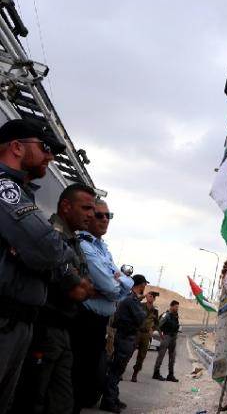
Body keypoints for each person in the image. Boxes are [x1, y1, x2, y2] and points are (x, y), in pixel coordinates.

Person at [0, 118, 77, 413]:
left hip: (17, 323)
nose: (50, 156)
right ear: (17, 147)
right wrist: (47, 251)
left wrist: (39, 251)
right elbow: (48, 249)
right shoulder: (4, 188)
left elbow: (55, 262)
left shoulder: (22, 192)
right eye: (45, 147)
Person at [10, 183, 96, 414]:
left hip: (62, 330)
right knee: (32, 396)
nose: (91, 214)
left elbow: (88, 286)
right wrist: (78, 284)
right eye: (86, 208)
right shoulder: (52, 236)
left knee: (62, 401)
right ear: (66, 206)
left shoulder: (74, 242)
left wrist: (80, 284)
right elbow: (76, 289)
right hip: (45, 328)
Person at [73, 198, 133, 411]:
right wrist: (116, 285)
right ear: (88, 217)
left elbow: (127, 284)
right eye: (100, 215)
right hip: (84, 321)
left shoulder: (103, 249)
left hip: (99, 324)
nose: (105, 219)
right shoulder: (85, 246)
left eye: (109, 216)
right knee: (78, 380)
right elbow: (112, 287)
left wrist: (116, 284)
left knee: (89, 378)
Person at [100, 274, 148, 413]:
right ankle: (108, 401)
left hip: (127, 337)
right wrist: (142, 313)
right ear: (141, 284)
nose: (145, 286)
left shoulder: (132, 299)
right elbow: (141, 318)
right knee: (116, 370)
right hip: (125, 337)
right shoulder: (131, 300)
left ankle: (113, 397)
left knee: (118, 370)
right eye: (144, 284)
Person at [131, 290, 159, 382]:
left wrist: (152, 329)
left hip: (146, 334)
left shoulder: (155, 310)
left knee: (142, 355)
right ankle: (120, 371)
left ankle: (135, 374)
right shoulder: (140, 305)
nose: (151, 298)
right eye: (149, 296)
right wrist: (144, 296)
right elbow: (134, 301)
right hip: (137, 332)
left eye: (152, 297)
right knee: (129, 351)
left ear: (154, 299)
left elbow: (157, 323)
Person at [153, 300, 180, 382]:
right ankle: (156, 373)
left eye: (178, 307)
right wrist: (161, 335)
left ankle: (170, 375)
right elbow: (158, 325)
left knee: (172, 357)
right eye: (176, 307)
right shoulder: (166, 315)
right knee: (161, 355)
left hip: (173, 338)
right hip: (166, 337)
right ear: (171, 306)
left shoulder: (175, 316)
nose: (177, 308)